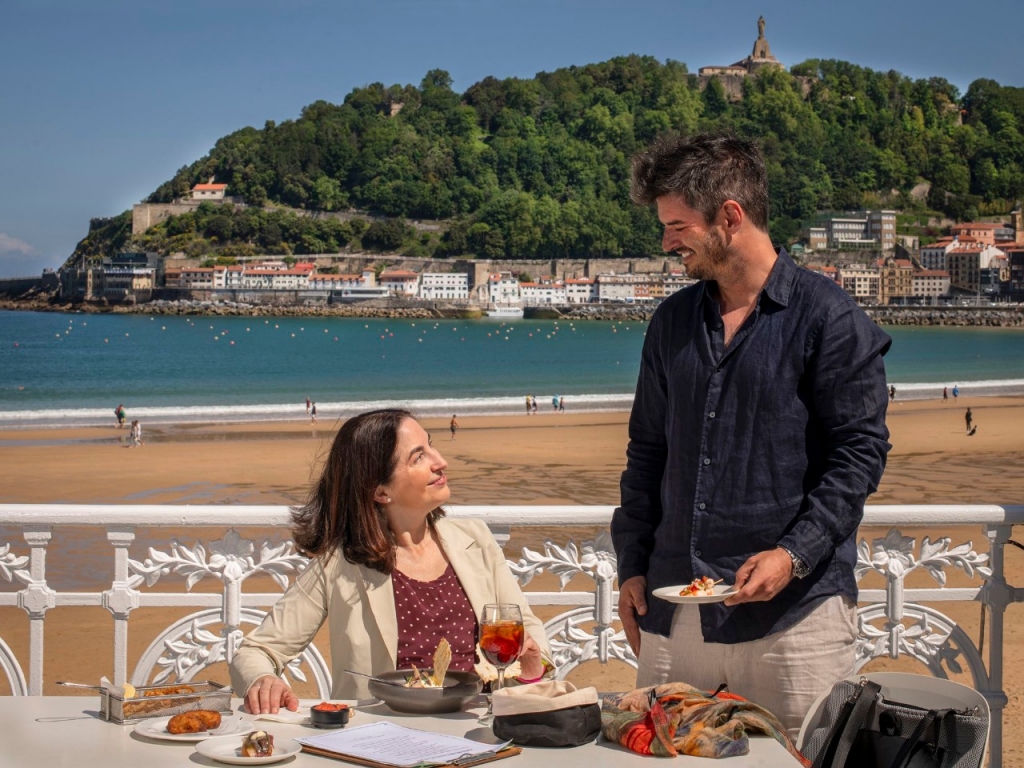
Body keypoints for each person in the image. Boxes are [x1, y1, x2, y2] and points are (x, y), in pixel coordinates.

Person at [612, 133, 891, 737]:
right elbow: (646, 453)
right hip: (675, 614)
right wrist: (631, 564)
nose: (666, 243)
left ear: (730, 217)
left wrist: (793, 556)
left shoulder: (830, 317)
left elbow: (860, 456)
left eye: (678, 225)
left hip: (798, 618)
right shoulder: (671, 322)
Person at [230, 409, 551, 711]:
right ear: (381, 491)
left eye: (432, 446)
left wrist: (533, 664)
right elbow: (257, 651)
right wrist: (262, 680)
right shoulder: (340, 564)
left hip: (476, 734)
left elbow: (526, 629)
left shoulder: (475, 541)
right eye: (419, 457)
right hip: (382, 741)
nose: (441, 462)